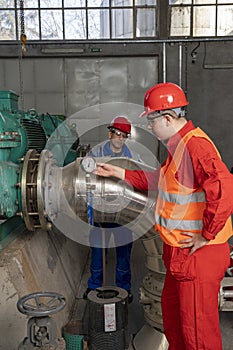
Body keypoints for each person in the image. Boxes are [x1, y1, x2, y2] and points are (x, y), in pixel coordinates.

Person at [93, 82, 233, 350]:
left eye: (151, 121)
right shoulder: (179, 146)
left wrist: (207, 235)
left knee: (197, 335)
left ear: (167, 118)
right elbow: (161, 180)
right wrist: (120, 173)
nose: (149, 127)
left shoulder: (196, 147)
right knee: (175, 323)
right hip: (179, 252)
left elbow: (224, 189)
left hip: (197, 256)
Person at [83, 116, 141, 303]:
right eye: (117, 134)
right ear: (110, 133)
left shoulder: (132, 158)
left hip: (123, 215)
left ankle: (124, 289)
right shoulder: (96, 153)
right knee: (98, 255)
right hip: (100, 214)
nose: (120, 138)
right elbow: (84, 179)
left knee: (123, 256)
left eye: (124, 135)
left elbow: (139, 180)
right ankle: (94, 287)